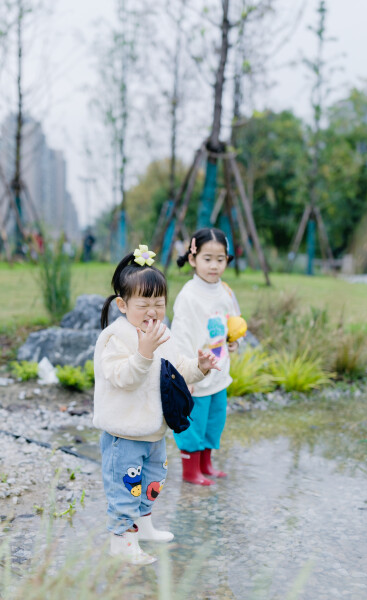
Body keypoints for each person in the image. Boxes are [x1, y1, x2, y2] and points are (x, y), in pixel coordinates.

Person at [93, 245, 220, 565]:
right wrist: (144, 352)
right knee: (126, 490)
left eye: (159, 304)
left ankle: (144, 527)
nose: (152, 311)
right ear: (122, 304)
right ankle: (121, 542)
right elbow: (122, 377)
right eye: (143, 304)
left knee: (151, 483)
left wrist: (201, 366)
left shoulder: (162, 333)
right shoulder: (115, 337)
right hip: (125, 433)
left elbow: (177, 371)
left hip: (153, 430)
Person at [171, 228, 241, 486]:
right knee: (194, 423)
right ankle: (191, 471)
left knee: (214, 421)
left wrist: (234, 342)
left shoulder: (225, 291)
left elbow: (233, 321)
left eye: (220, 259)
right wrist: (186, 373)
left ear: (227, 260)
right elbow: (181, 336)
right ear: (193, 259)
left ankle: (206, 463)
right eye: (207, 259)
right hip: (196, 374)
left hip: (219, 370)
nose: (214, 266)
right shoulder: (188, 296)